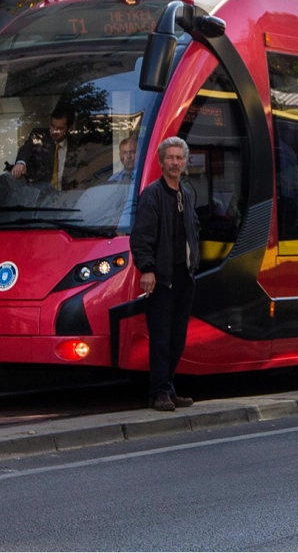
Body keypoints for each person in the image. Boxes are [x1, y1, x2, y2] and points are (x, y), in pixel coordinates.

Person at [130, 136, 201, 412]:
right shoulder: (152, 194)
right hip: (161, 278)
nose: (174, 162)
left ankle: (168, 388)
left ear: (185, 162)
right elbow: (142, 236)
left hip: (184, 276)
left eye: (179, 158)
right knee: (160, 337)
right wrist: (147, 269)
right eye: (169, 158)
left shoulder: (187, 193)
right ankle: (159, 392)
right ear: (161, 162)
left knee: (177, 338)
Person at [12, 106, 78, 189]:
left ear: (69, 128)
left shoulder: (75, 145)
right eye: (52, 126)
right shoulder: (39, 136)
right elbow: (26, 148)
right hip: (41, 195)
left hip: (65, 196)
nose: (54, 131)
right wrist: (21, 163)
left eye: (60, 128)